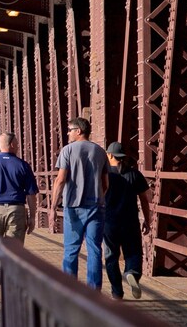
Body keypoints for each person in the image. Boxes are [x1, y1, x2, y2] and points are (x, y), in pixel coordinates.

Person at [0, 132, 39, 299]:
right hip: (16, 210)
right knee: (14, 248)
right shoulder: (23, 165)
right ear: (11, 145)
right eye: (16, 143)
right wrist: (32, 217)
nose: (18, 146)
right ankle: (11, 280)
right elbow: (31, 195)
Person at [50, 117, 109, 290]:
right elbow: (106, 183)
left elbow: (60, 180)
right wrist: (99, 196)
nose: (67, 133)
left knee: (71, 250)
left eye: (69, 130)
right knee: (95, 250)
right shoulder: (100, 152)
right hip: (96, 206)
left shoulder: (67, 150)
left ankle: (70, 290)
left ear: (79, 131)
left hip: (74, 207)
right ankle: (94, 291)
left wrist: (53, 207)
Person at [103, 141, 150, 300]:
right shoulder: (134, 174)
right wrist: (147, 221)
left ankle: (117, 292)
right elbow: (144, 200)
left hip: (109, 222)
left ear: (109, 155)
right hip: (130, 221)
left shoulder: (105, 175)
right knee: (134, 251)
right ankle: (132, 272)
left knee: (111, 256)